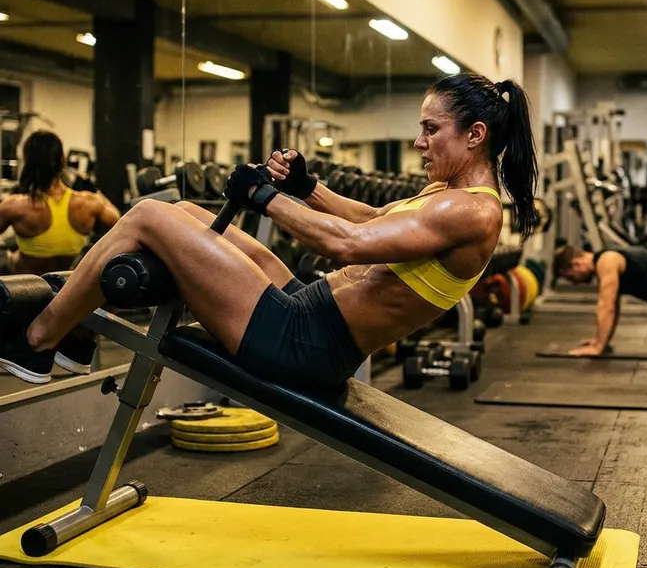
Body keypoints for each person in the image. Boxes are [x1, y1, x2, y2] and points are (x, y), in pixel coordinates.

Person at [5, 73, 538, 386]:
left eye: (430, 130)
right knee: (185, 212)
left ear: (475, 135)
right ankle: (74, 333)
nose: (419, 143)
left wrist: (267, 197)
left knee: (147, 214)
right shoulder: (449, 197)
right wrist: (309, 188)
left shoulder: (471, 210)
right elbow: (374, 221)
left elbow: (345, 243)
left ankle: (39, 338)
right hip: (310, 312)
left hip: (304, 341)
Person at [0, 131, 121, 376]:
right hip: (67, 288)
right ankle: (78, 339)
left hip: (27, 294)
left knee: (9, 257)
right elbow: (122, 224)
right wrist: (90, 186)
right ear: (63, 161)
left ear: (28, 161)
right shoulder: (89, 202)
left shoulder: (15, 205)